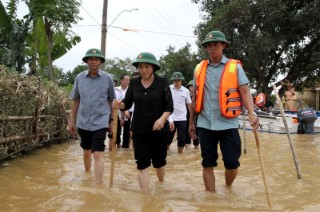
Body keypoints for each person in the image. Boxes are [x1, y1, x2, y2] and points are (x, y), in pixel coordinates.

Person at [188, 31, 259, 192]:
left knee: (232, 164)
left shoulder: (234, 67)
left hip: (228, 124)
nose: (212, 48)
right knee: (207, 163)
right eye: (209, 45)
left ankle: (228, 187)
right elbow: (195, 98)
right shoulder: (199, 68)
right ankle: (211, 201)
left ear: (223, 46)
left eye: (215, 44)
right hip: (205, 124)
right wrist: (191, 122)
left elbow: (245, 91)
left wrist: (251, 112)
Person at [113, 52, 173, 193]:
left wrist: (162, 119)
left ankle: (161, 184)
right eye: (140, 67)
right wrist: (119, 104)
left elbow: (169, 105)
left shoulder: (162, 82)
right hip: (139, 130)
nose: (143, 70)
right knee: (142, 164)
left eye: (147, 67)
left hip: (159, 129)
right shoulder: (133, 83)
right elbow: (127, 104)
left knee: (159, 162)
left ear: (153, 67)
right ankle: (145, 198)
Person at [68, 48, 115, 184]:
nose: (93, 62)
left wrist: (111, 121)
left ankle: (99, 185)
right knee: (86, 151)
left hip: (101, 121)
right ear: (87, 61)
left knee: (98, 153)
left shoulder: (108, 78)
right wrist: (71, 121)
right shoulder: (79, 78)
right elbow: (76, 100)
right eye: (91, 59)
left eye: (96, 59)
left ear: (100, 61)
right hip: (83, 122)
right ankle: (87, 175)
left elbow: (111, 100)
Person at [166, 72, 192, 153]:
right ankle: (166, 152)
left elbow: (189, 105)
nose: (176, 82)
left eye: (178, 80)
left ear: (181, 80)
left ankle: (180, 155)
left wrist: (192, 118)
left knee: (182, 138)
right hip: (171, 117)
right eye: (175, 80)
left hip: (182, 118)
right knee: (168, 137)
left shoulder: (186, 91)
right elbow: (165, 103)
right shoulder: (168, 89)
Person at [115, 74, 131, 148]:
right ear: (121, 81)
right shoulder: (115, 90)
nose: (128, 81)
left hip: (128, 113)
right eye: (126, 80)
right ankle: (118, 145)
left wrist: (127, 110)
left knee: (127, 132)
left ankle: (125, 148)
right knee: (117, 131)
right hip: (117, 113)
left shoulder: (130, 90)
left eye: (129, 80)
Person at [185, 80, 199, 149]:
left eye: (194, 86)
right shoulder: (186, 96)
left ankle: (196, 148)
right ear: (189, 87)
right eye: (191, 86)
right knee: (187, 134)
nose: (192, 87)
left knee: (195, 134)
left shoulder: (198, 97)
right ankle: (187, 150)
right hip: (186, 117)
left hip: (196, 118)